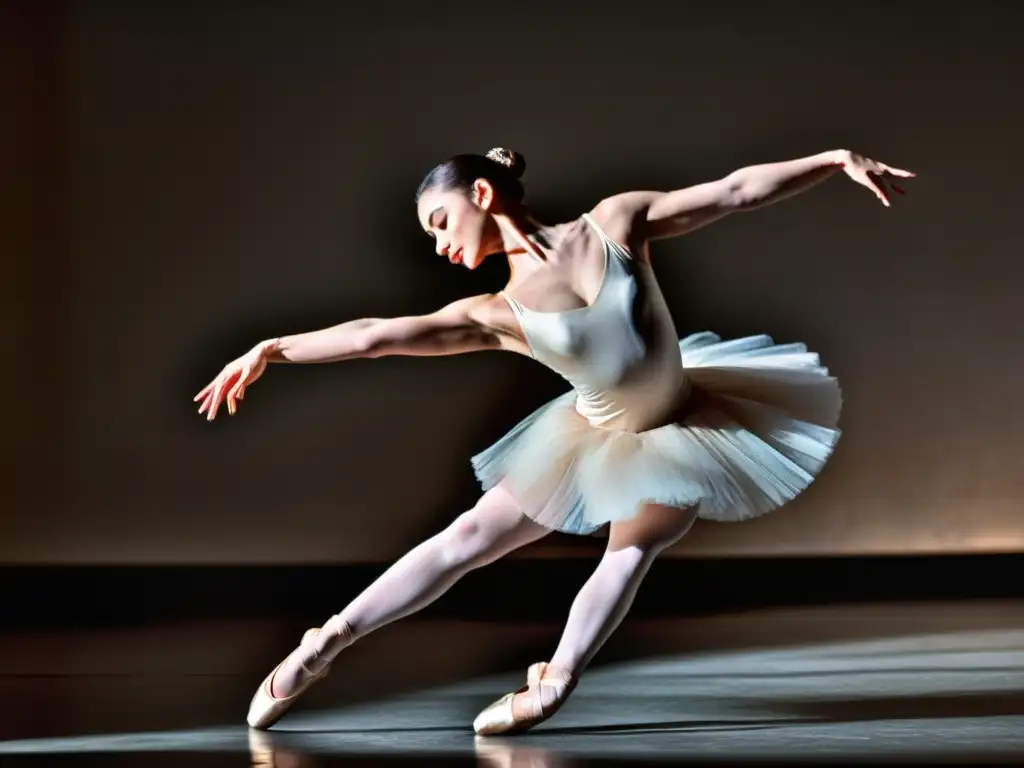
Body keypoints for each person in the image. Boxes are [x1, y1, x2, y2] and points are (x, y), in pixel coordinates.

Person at [194, 146, 913, 734]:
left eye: (441, 221)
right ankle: (323, 644)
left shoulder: (616, 223)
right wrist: (271, 347)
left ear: (482, 193)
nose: (440, 244)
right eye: (430, 237)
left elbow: (733, 191)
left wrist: (833, 158)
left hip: (687, 426)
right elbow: (373, 338)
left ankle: (554, 682)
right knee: (467, 538)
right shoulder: (494, 313)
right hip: (593, 437)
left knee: (631, 548)